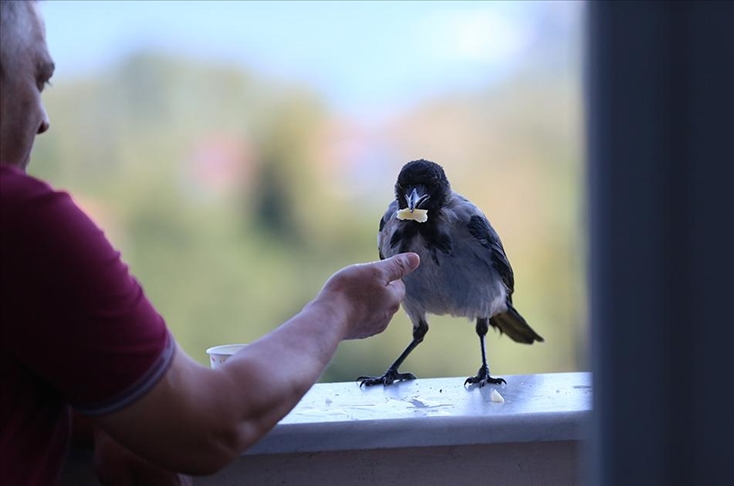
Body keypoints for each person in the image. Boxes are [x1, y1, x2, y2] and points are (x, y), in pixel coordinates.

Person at [0, 1, 420, 484]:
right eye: (39, 80)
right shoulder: (20, 220)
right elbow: (211, 424)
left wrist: (125, 413)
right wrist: (340, 307)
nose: (43, 119)